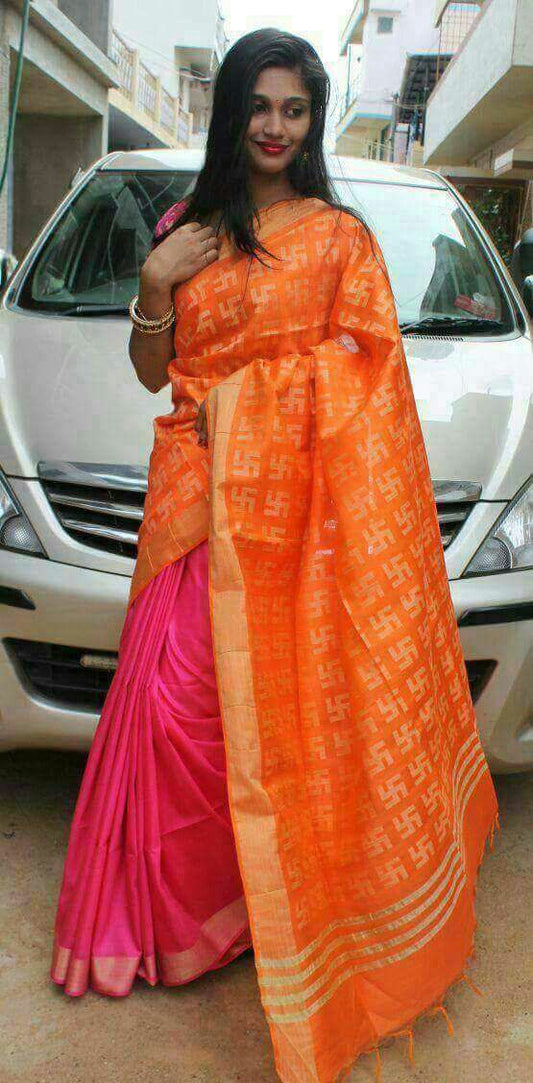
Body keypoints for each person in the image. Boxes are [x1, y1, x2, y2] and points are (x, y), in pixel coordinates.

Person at [50, 27, 500, 1083]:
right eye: (258, 105)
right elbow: (154, 373)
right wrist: (153, 283)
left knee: (291, 712)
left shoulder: (339, 241)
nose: (274, 126)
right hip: (193, 501)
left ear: (311, 120)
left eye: (294, 108)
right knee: (178, 711)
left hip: (298, 515)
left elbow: (367, 371)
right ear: (231, 112)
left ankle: (279, 908)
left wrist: (250, 407)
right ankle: (183, 923)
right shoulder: (184, 231)